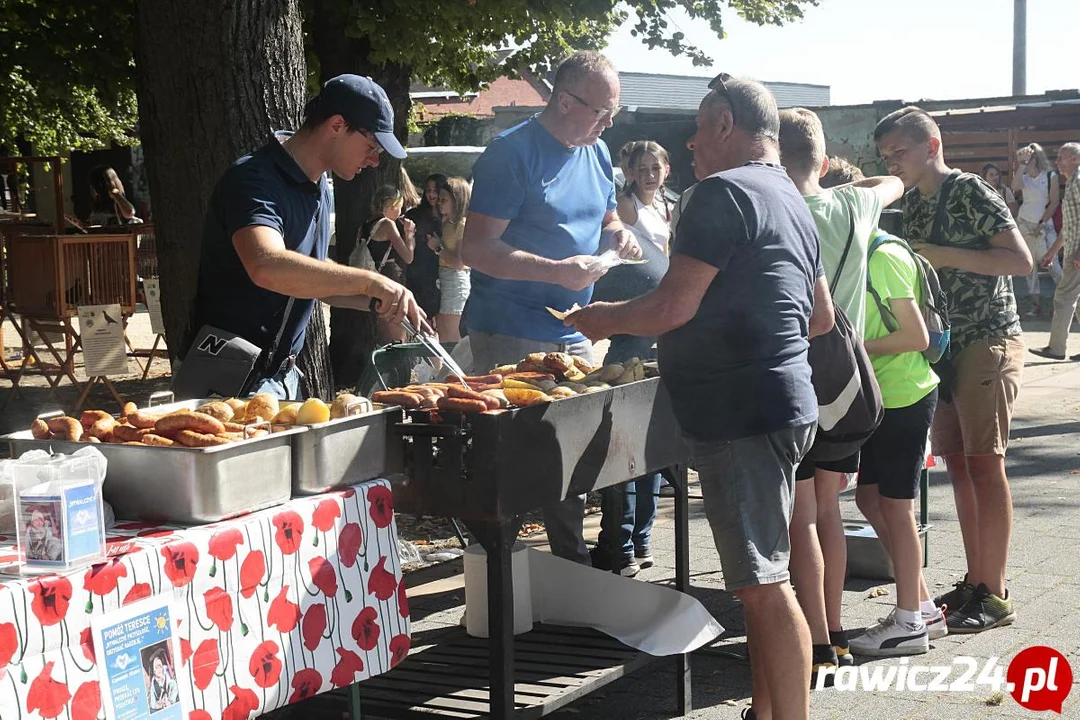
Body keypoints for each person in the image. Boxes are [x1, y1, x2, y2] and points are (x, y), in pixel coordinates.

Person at [568, 74, 835, 720]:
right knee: (762, 582)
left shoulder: (718, 194)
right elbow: (821, 317)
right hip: (782, 404)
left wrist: (604, 319)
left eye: (697, 128)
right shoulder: (790, 195)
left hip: (742, 414)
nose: (688, 144)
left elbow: (670, 305)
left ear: (724, 125)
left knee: (764, 587)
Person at [461, 50, 641, 565]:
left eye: (614, 115)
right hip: (510, 329)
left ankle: (570, 569)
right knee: (518, 457)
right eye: (602, 113)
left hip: (575, 329)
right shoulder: (510, 154)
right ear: (565, 101)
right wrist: (558, 271)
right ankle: (498, 571)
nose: (609, 124)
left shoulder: (598, 152)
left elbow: (606, 217)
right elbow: (476, 249)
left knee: (576, 454)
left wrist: (619, 235)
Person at [875, 106, 1030, 634]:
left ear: (932, 146)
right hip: (944, 350)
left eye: (900, 152)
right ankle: (975, 581)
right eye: (886, 156)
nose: (893, 162)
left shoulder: (970, 191)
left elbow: (1021, 261)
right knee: (959, 467)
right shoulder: (912, 202)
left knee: (986, 466)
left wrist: (944, 254)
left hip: (988, 339)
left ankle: (996, 592)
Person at [186, 74, 422, 400]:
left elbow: (311, 274)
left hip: (282, 376)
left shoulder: (319, 187)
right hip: (227, 371)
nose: (374, 161)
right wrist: (369, 281)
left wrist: (376, 300)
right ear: (337, 125)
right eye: (371, 147)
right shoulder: (253, 178)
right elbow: (266, 265)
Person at [777, 107, 904, 676]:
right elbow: (894, 181)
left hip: (794, 382)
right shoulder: (853, 203)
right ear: (823, 161)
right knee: (829, 509)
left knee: (800, 514)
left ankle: (814, 640)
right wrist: (847, 180)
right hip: (847, 382)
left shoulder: (774, 210)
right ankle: (835, 634)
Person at [589, 226, 670, 577]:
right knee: (646, 450)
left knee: (620, 451)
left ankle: (619, 549)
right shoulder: (637, 236)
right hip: (658, 343)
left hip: (632, 346)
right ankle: (639, 542)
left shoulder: (599, 241)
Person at [1030, 143, 1080, 360]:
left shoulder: (1077, 181)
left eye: (1063, 157)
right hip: (1073, 250)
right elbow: (1069, 228)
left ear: (1076, 159)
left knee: (1063, 297)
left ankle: (1057, 349)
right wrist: (1052, 252)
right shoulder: (1072, 182)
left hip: (1076, 254)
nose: (1058, 161)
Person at [362, 185, 417, 344]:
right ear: (392, 205)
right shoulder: (387, 224)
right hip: (389, 277)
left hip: (373, 278)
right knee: (397, 333)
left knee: (384, 330)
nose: (401, 211)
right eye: (399, 207)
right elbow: (408, 257)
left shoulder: (368, 222)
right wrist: (409, 235)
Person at [1011, 144, 1061, 316]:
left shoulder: (1050, 176)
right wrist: (1021, 165)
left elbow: (1054, 202)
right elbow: (1014, 187)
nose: (1026, 159)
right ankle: (1036, 305)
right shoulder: (1024, 176)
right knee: (1029, 268)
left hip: (1044, 227)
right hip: (1025, 224)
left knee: (1053, 266)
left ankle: (1065, 303)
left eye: (1029, 157)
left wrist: (1042, 221)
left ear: (1036, 157)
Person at [430, 177, 471, 343]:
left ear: (456, 200)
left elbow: (460, 262)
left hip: (455, 281)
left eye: (444, 199)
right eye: (439, 199)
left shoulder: (462, 225)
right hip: (444, 280)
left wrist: (437, 248)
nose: (439, 203)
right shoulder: (448, 223)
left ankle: (455, 370)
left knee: (452, 340)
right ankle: (444, 370)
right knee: (443, 337)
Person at [406, 173, 448, 322]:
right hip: (417, 271)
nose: (431, 194)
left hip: (440, 271)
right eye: (428, 190)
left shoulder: (448, 218)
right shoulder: (415, 214)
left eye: (435, 190)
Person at [616, 141, 672, 253]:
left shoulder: (663, 208)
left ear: (666, 170)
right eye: (642, 169)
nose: (650, 175)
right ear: (631, 172)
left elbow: (664, 253)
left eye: (656, 168)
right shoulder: (626, 205)